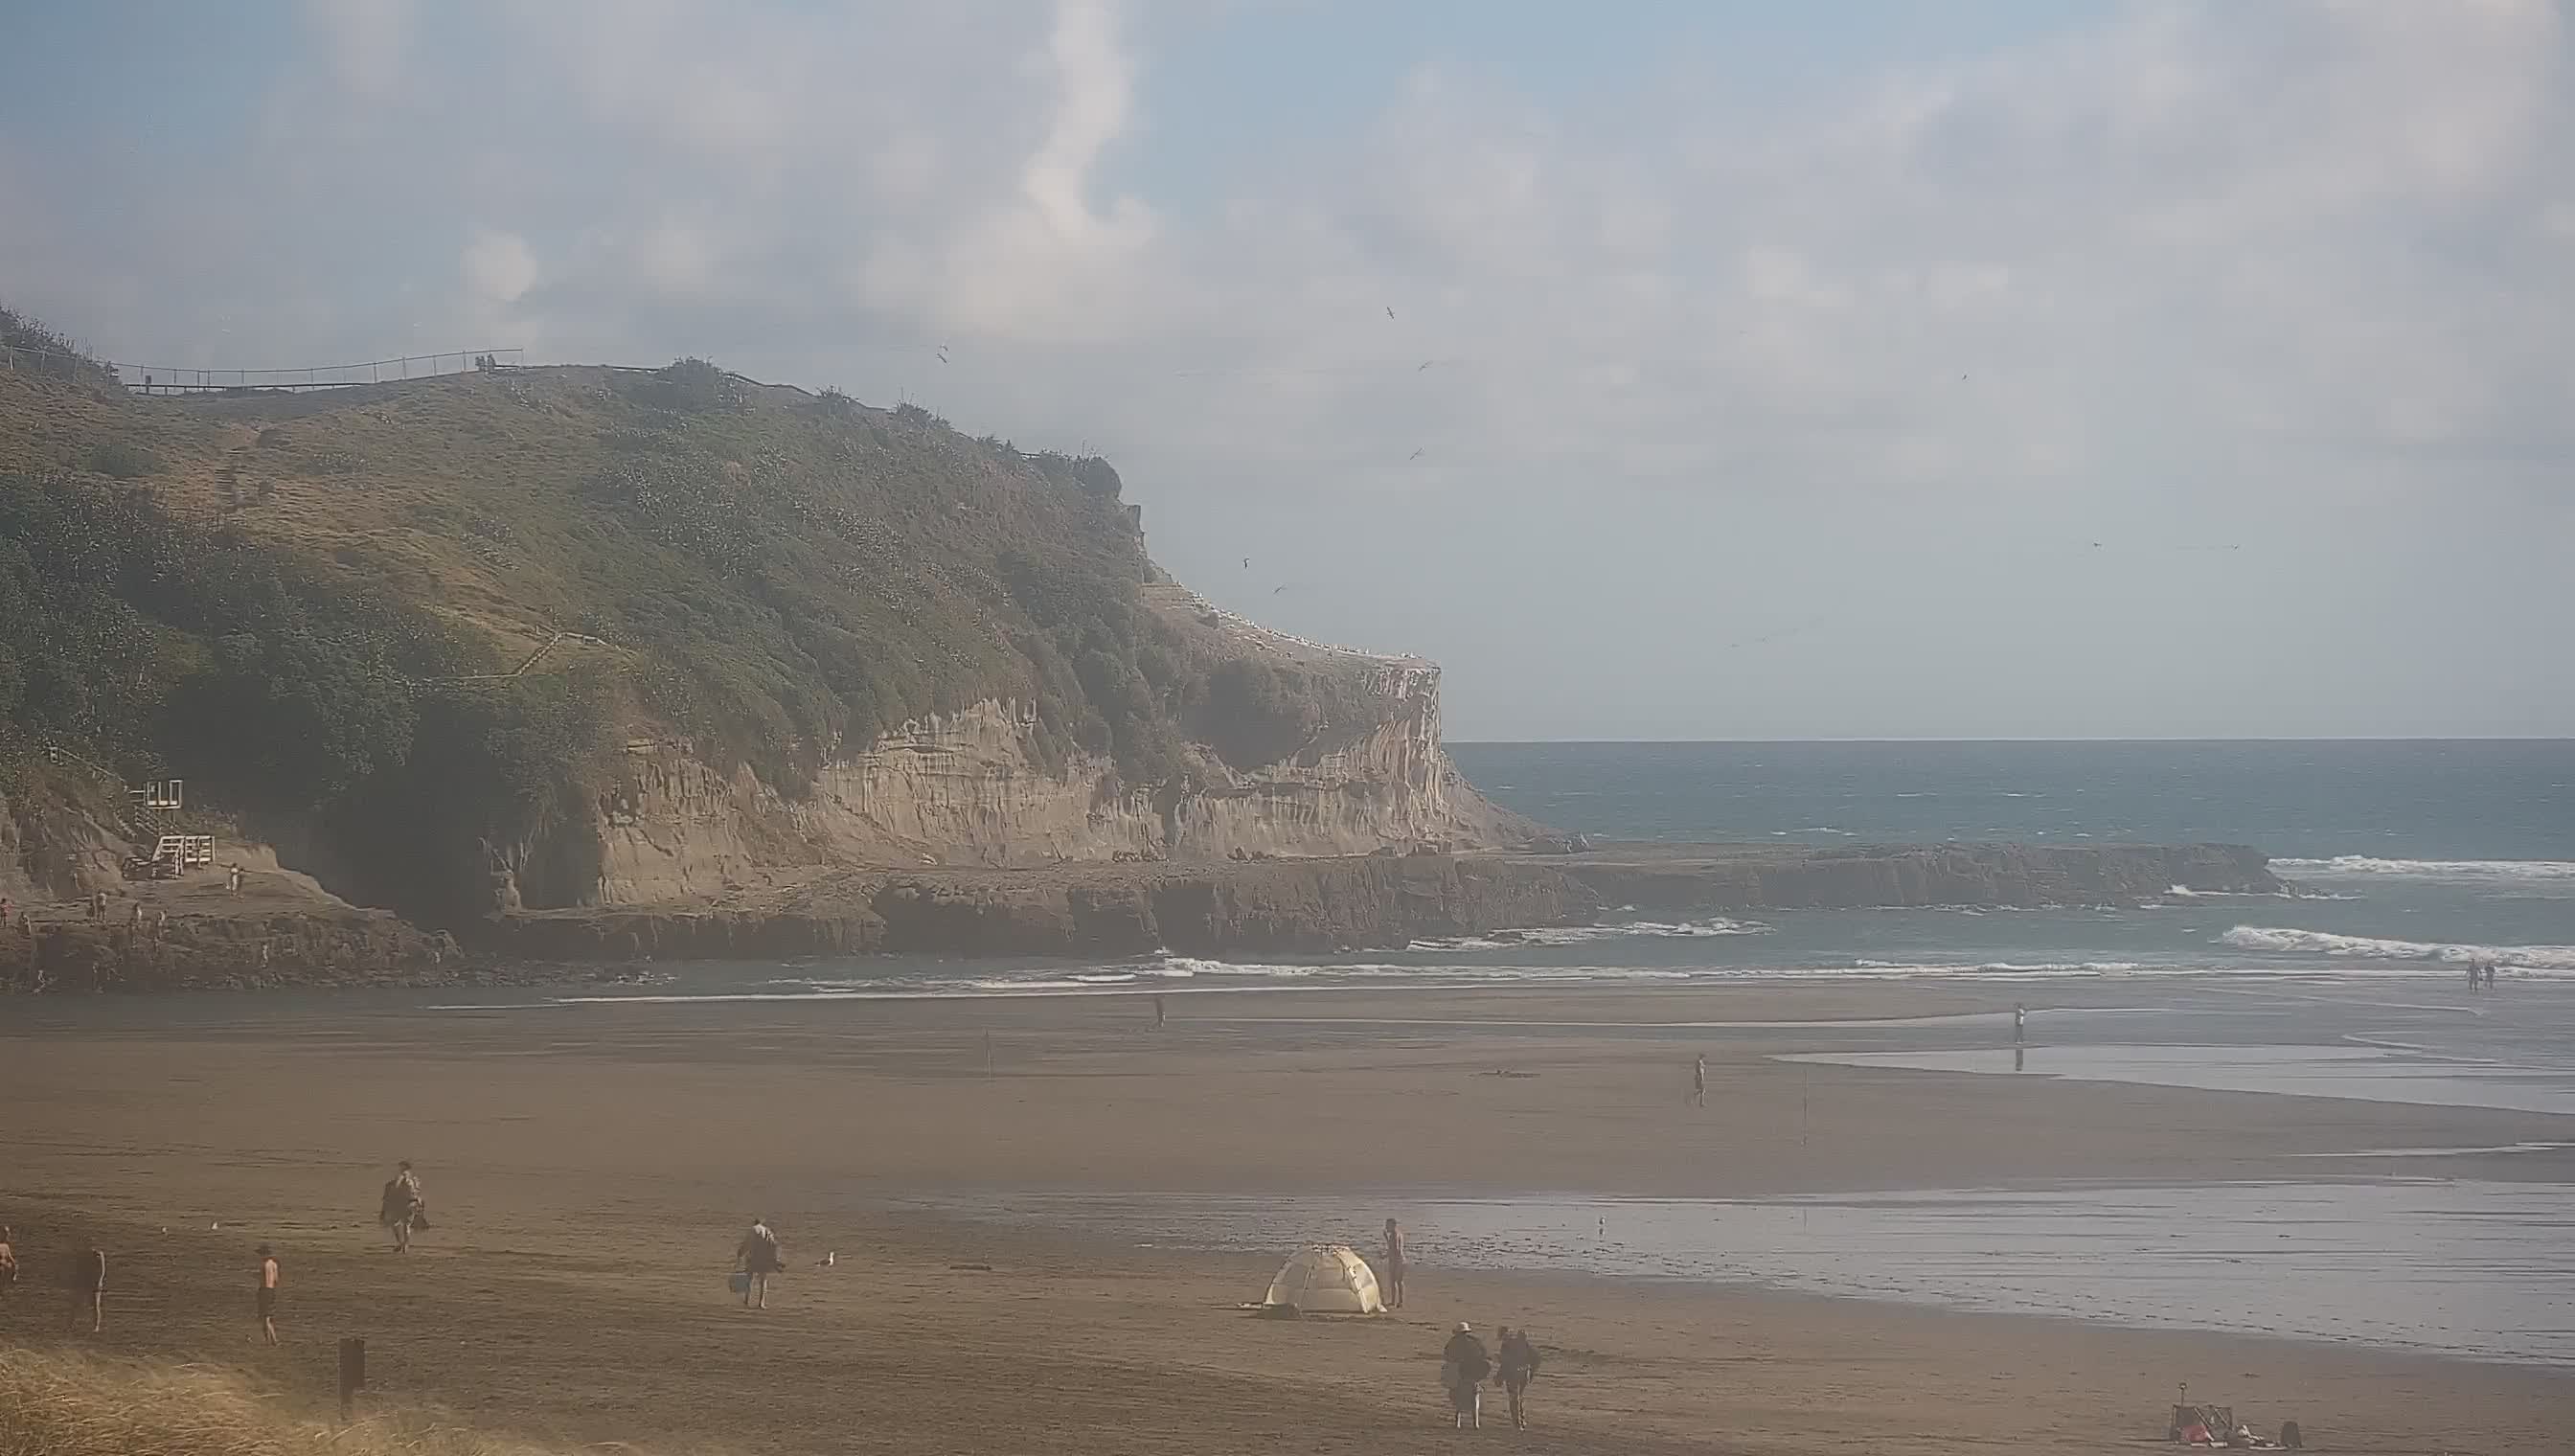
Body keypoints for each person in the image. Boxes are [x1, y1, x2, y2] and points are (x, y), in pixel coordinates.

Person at [1441, 1322, 1490, 1429]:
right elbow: (1483, 1355)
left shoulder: (1453, 1343)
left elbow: (1447, 1356)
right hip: (1472, 1373)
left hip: (1459, 1373)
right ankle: (1475, 1423)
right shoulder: (1475, 1342)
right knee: (1474, 1397)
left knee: (1458, 1397)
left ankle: (1457, 1422)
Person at [1494, 1325, 1541, 1430]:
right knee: (1519, 1397)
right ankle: (1522, 1420)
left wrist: (1499, 1376)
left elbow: (1505, 1364)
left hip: (1513, 1375)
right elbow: (1535, 1357)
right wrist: (1531, 1372)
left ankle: (1517, 1423)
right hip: (1524, 1373)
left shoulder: (1506, 1346)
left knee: (1514, 1398)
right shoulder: (1521, 1343)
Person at [736, 1217, 783, 1309]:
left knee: (749, 1279)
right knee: (763, 1280)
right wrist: (775, 1259)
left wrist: (740, 1252)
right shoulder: (767, 1231)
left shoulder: (752, 1229)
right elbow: (774, 1245)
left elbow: (747, 1243)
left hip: (752, 1257)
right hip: (763, 1258)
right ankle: (761, 1303)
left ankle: (746, 1301)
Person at [380, 1161, 425, 1252]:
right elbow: (417, 1192)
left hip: (402, 1204)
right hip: (412, 1204)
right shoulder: (414, 1179)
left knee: (395, 1224)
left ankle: (401, 1243)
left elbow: (395, 1187)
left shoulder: (401, 1176)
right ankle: (405, 1245)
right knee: (406, 1226)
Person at [69, 1240, 105, 1333]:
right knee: (77, 1303)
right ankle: (72, 1324)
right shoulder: (83, 1256)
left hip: (94, 1283)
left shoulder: (98, 1254)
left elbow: (102, 1270)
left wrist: (99, 1282)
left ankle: (96, 1326)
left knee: (95, 1305)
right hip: (85, 1282)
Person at [256, 1245, 281, 1346]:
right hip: (272, 1290)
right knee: (268, 1316)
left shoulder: (264, 1265)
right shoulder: (274, 1264)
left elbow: (264, 1280)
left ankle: (269, 1340)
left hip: (264, 1290)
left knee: (264, 1317)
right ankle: (273, 1339)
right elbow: (276, 1280)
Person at [1380, 1218, 1406, 1309]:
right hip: (1399, 1260)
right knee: (1398, 1281)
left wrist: (1386, 1239)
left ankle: (1396, 1301)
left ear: (1393, 1225)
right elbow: (1394, 1249)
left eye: (1387, 1225)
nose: (1386, 1227)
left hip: (1397, 1261)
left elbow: (1395, 1249)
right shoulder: (1397, 1234)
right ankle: (1397, 1301)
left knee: (1395, 1281)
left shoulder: (1394, 1235)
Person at [0, 1224, 17, 1304]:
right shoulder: (4, 1246)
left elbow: (11, 1259)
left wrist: (14, 1269)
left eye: (8, 1233)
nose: (8, 1235)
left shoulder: (5, 1246)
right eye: (6, 1233)